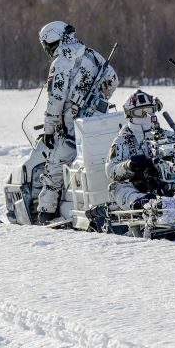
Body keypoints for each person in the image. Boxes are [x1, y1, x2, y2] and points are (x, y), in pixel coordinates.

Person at [36, 21, 118, 225]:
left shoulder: (62, 61)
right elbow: (113, 79)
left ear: (52, 39)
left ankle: (46, 215)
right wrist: (98, 102)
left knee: (54, 169)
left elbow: (55, 99)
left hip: (72, 130)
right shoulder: (92, 54)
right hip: (96, 126)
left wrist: (49, 129)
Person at [105, 90, 175, 210]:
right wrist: (130, 166)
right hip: (141, 187)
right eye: (139, 112)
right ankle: (144, 203)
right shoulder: (122, 141)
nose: (145, 115)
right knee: (116, 187)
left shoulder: (167, 135)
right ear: (130, 114)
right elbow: (111, 171)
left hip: (173, 183)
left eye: (149, 110)